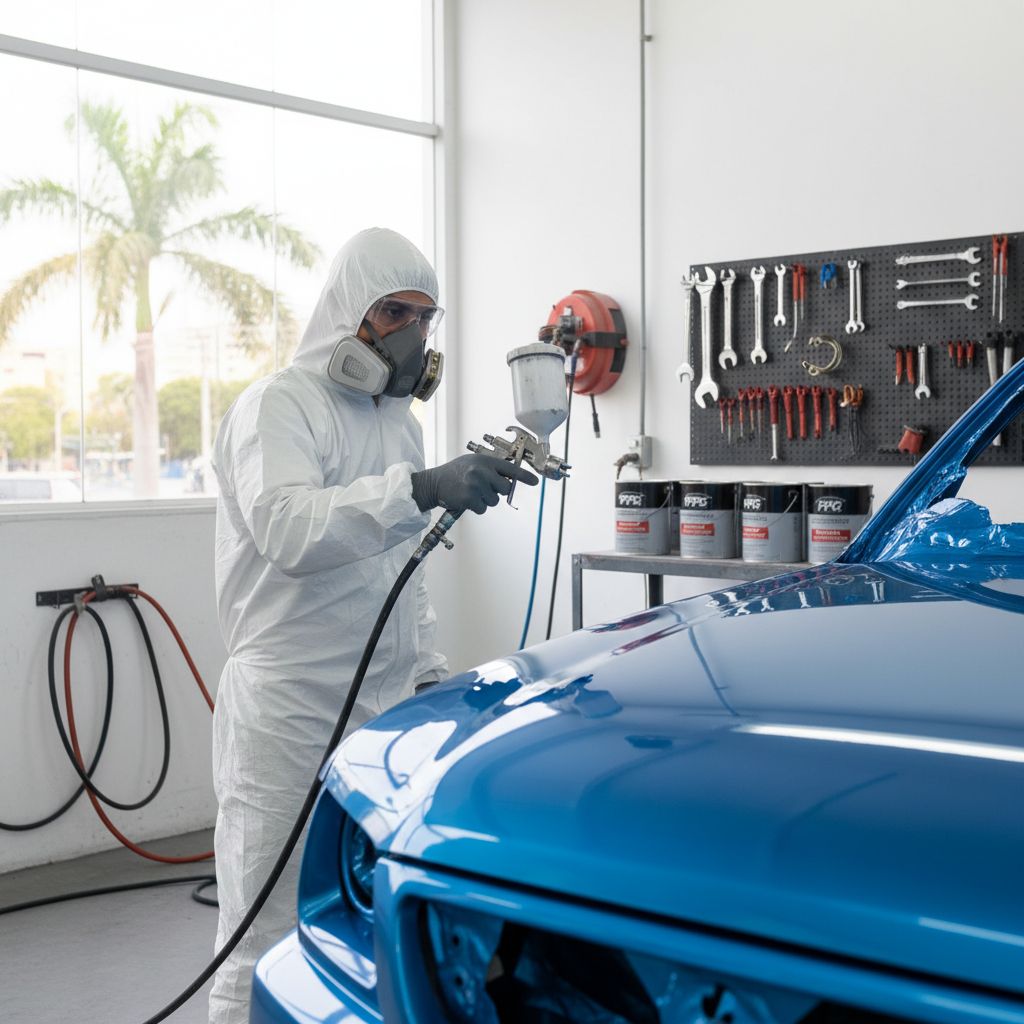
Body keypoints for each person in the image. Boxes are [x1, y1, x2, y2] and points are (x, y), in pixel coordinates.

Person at [208, 227, 536, 1024]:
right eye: (394, 312)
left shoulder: (399, 424)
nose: (411, 335)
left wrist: (425, 669)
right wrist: (422, 487)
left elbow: (398, 571)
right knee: (268, 919)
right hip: (290, 701)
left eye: (425, 318)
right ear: (347, 315)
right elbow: (289, 530)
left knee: (370, 906)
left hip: (383, 699)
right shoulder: (277, 406)